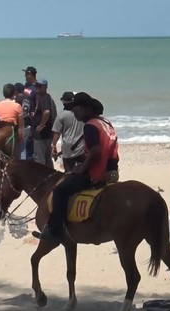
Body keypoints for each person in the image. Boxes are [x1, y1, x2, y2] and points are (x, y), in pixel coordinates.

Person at [41, 92, 119, 243]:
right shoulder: (106, 123)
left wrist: (82, 168)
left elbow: (96, 151)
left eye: (77, 108)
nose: (74, 111)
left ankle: (56, 231)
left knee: (59, 191)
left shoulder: (90, 126)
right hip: (112, 170)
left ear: (87, 109)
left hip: (96, 174)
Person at [52, 91, 85, 172]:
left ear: (63, 101)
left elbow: (57, 133)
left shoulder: (61, 115)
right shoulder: (81, 113)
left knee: (69, 172)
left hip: (68, 148)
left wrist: (53, 146)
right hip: (81, 146)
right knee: (82, 171)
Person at [0, 83, 25, 156]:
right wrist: (21, 136)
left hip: (0, 134)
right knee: (16, 158)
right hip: (12, 134)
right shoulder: (17, 106)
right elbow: (21, 125)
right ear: (14, 93)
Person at [32, 79, 57, 168]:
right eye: (36, 86)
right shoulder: (47, 97)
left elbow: (46, 112)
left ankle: (40, 179)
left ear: (45, 87)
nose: (37, 88)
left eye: (39, 86)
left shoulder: (44, 97)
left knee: (39, 159)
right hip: (48, 134)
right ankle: (50, 178)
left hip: (41, 136)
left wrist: (41, 125)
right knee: (47, 159)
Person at [21, 67, 38, 160]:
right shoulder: (28, 85)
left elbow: (37, 104)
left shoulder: (35, 88)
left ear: (30, 74)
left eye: (26, 74)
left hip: (30, 121)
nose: (24, 76)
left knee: (29, 147)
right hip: (26, 119)